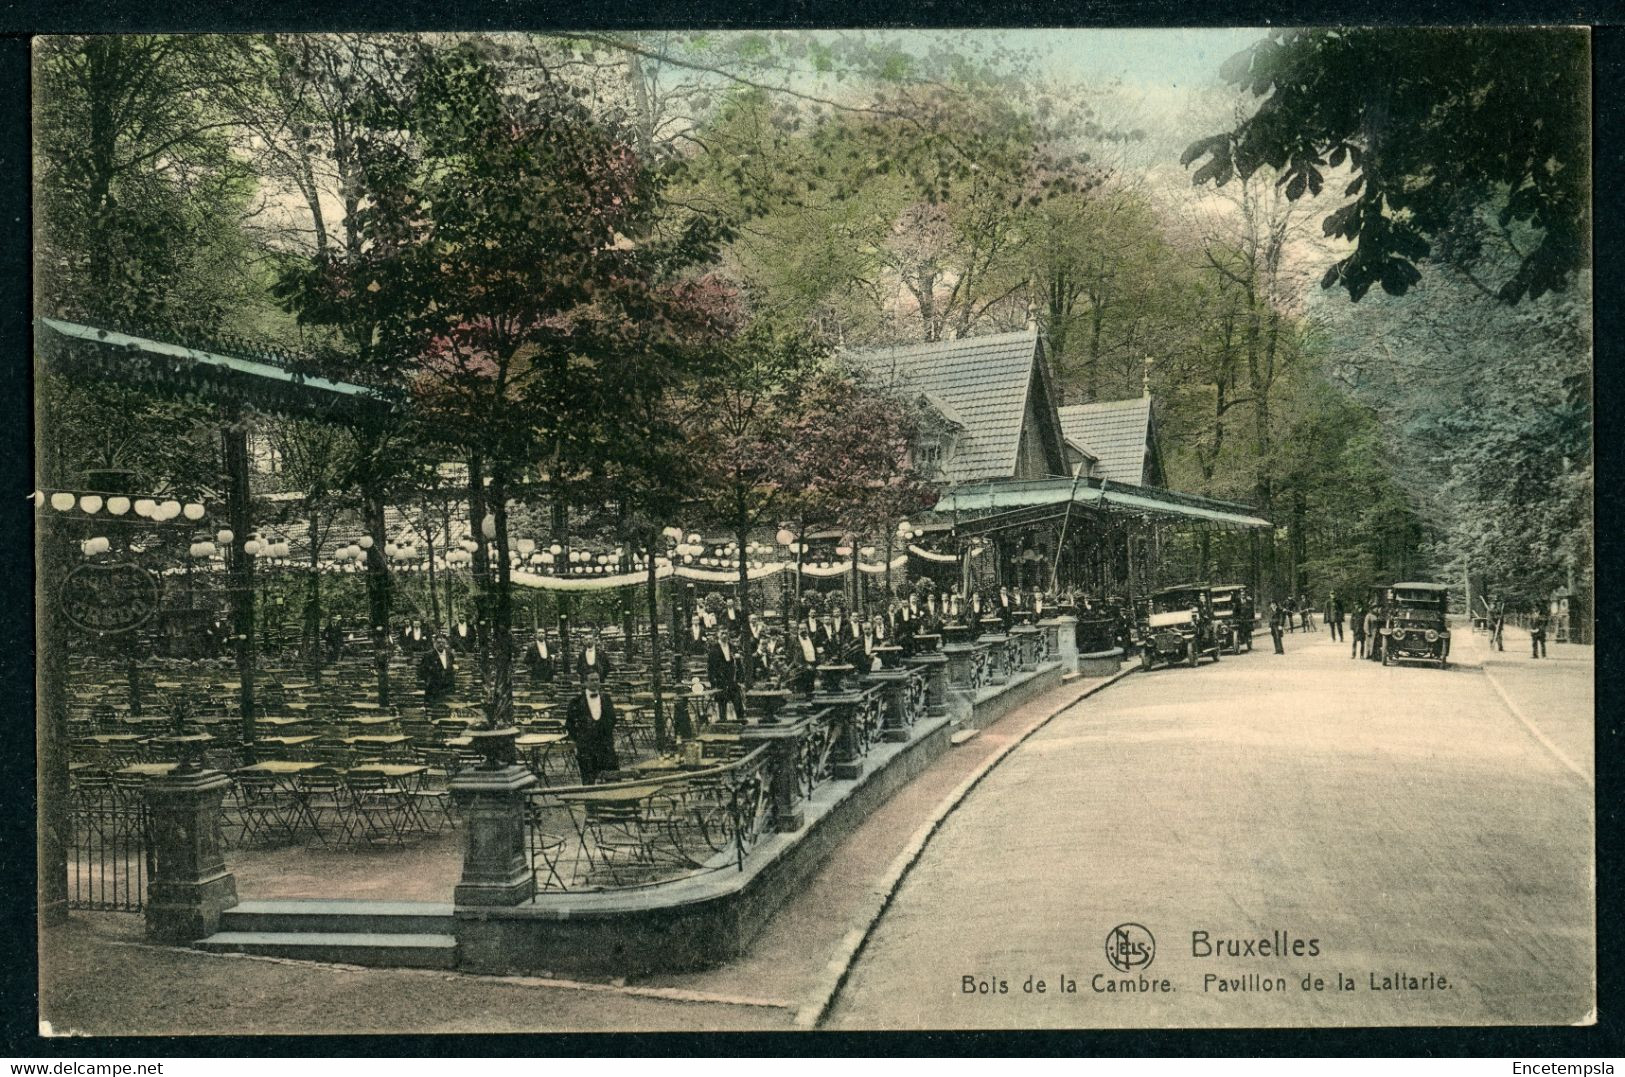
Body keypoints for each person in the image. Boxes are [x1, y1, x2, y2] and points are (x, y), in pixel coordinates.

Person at [564, 672, 619, 784]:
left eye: (597, 679)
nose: (595, 682)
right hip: (587, 748)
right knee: (588, 781)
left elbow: (613, 719)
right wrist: (579, 740)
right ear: (585, 682)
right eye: (592, 680)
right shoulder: (576, 702)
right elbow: (569, 724)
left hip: (605, 746)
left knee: (612, 779)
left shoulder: (606, 699)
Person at [706, 630, 746, 722]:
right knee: (722, 702)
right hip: (720, 679)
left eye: (726, 633)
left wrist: (740, 677)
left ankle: (740, 720)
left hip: (732, 678)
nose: (724, 636)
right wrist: (713, 681)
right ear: (718, 635)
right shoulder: (714, 649)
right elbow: (710, 668)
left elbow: (738, 663)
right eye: (722, 633)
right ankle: (723, 722)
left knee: (737, 700)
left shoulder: (732, 648)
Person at [417, 633, 456, 703]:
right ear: (434, 643)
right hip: (433, 689)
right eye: (438, 642)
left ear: (446, 643)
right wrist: (428, 681)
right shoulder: (428, 655)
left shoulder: (450, 655)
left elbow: (451, 669)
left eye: (443, 642)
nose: (441, 644)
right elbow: (421, 671)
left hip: (447, 688)